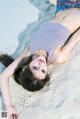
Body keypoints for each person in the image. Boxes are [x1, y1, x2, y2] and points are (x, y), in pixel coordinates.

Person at [0, 0, 80, 118]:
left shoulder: (29, 52)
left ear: (26, 66)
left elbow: (3, 76)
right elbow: (76, 37)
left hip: (62, 6)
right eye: (43, 70)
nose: (41, 64)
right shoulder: (57, 57)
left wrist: (8, 106)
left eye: (35, 67)